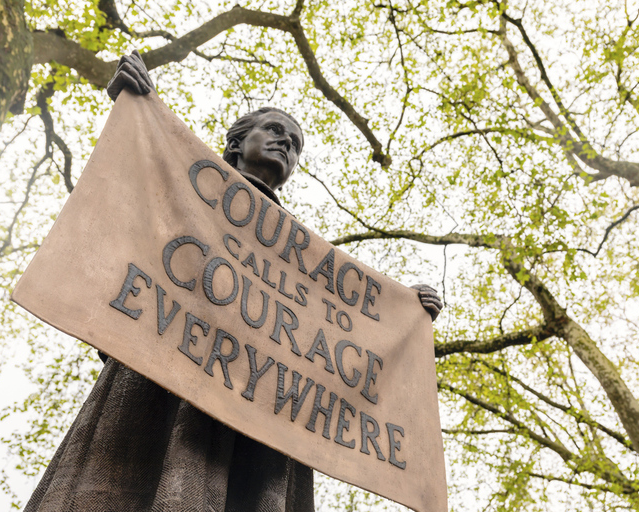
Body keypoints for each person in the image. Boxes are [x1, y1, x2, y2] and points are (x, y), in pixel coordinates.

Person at [24, 51, 443, 512]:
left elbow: (335, 343)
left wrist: (404, 313)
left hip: (262, 417)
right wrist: (134, 105)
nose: (287, 145)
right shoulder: (179, 184)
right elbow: (122, 236)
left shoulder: (308, 262)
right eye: (276, 132)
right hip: (163, 381)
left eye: (296, 145)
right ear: (238, 143)